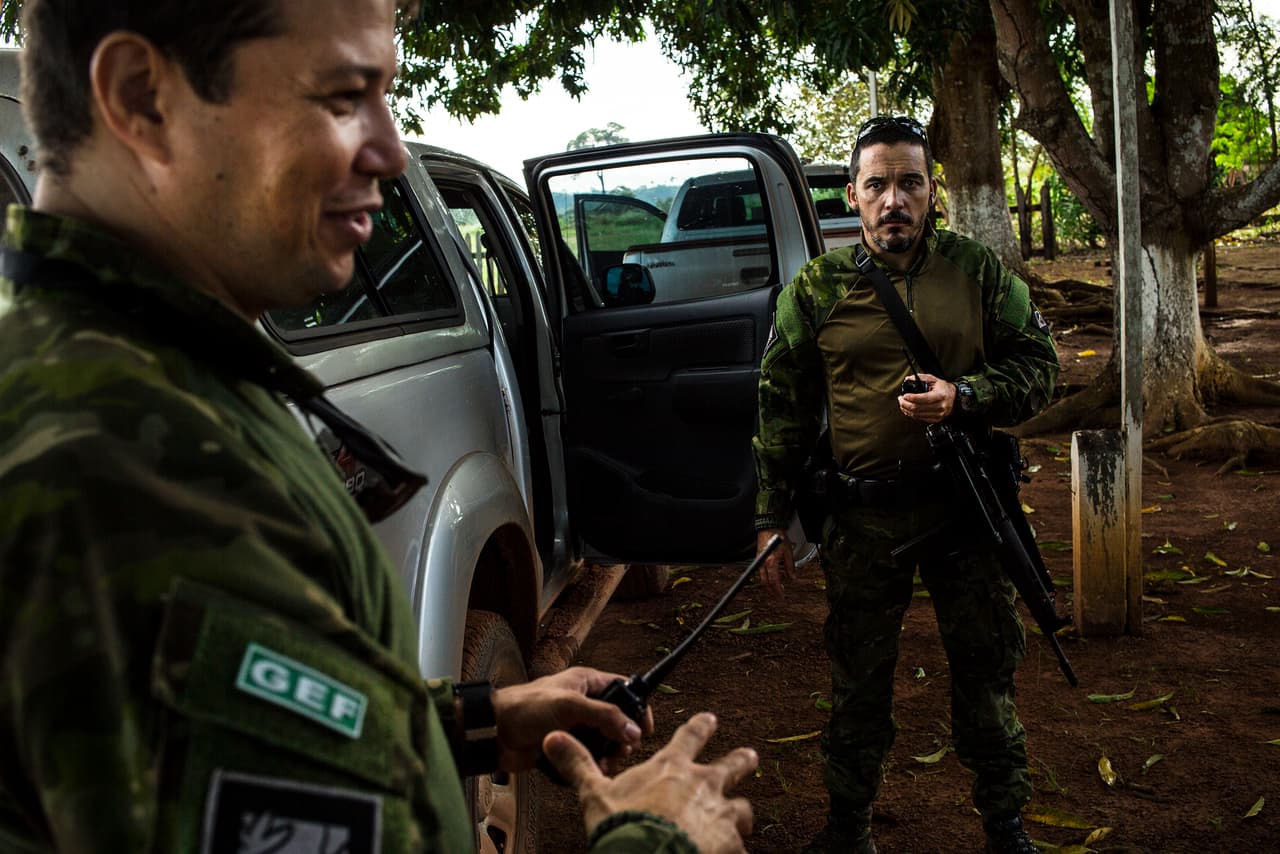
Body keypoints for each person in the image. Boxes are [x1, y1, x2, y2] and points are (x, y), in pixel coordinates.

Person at [0, 1, 757, 852]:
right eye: (340, 97)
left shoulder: (139, 377)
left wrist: (473, 723)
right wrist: (657, 838)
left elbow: (228, 742)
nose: (392, 152)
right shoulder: (137, 473)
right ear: (143, 98)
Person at [751, 115, 1059, 854]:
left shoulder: (978, 272)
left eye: (911, 183)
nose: (896, 200)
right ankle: (848, 824)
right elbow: (780, 407)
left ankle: (1005, 824)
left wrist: (967, 397)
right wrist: (770, 519)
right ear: (853, 196)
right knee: (858, 678)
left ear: (932, 194)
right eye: (879, 184)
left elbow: (1041, 367)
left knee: (986, 672)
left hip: (966, 514)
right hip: (862, 522)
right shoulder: (817, 289)